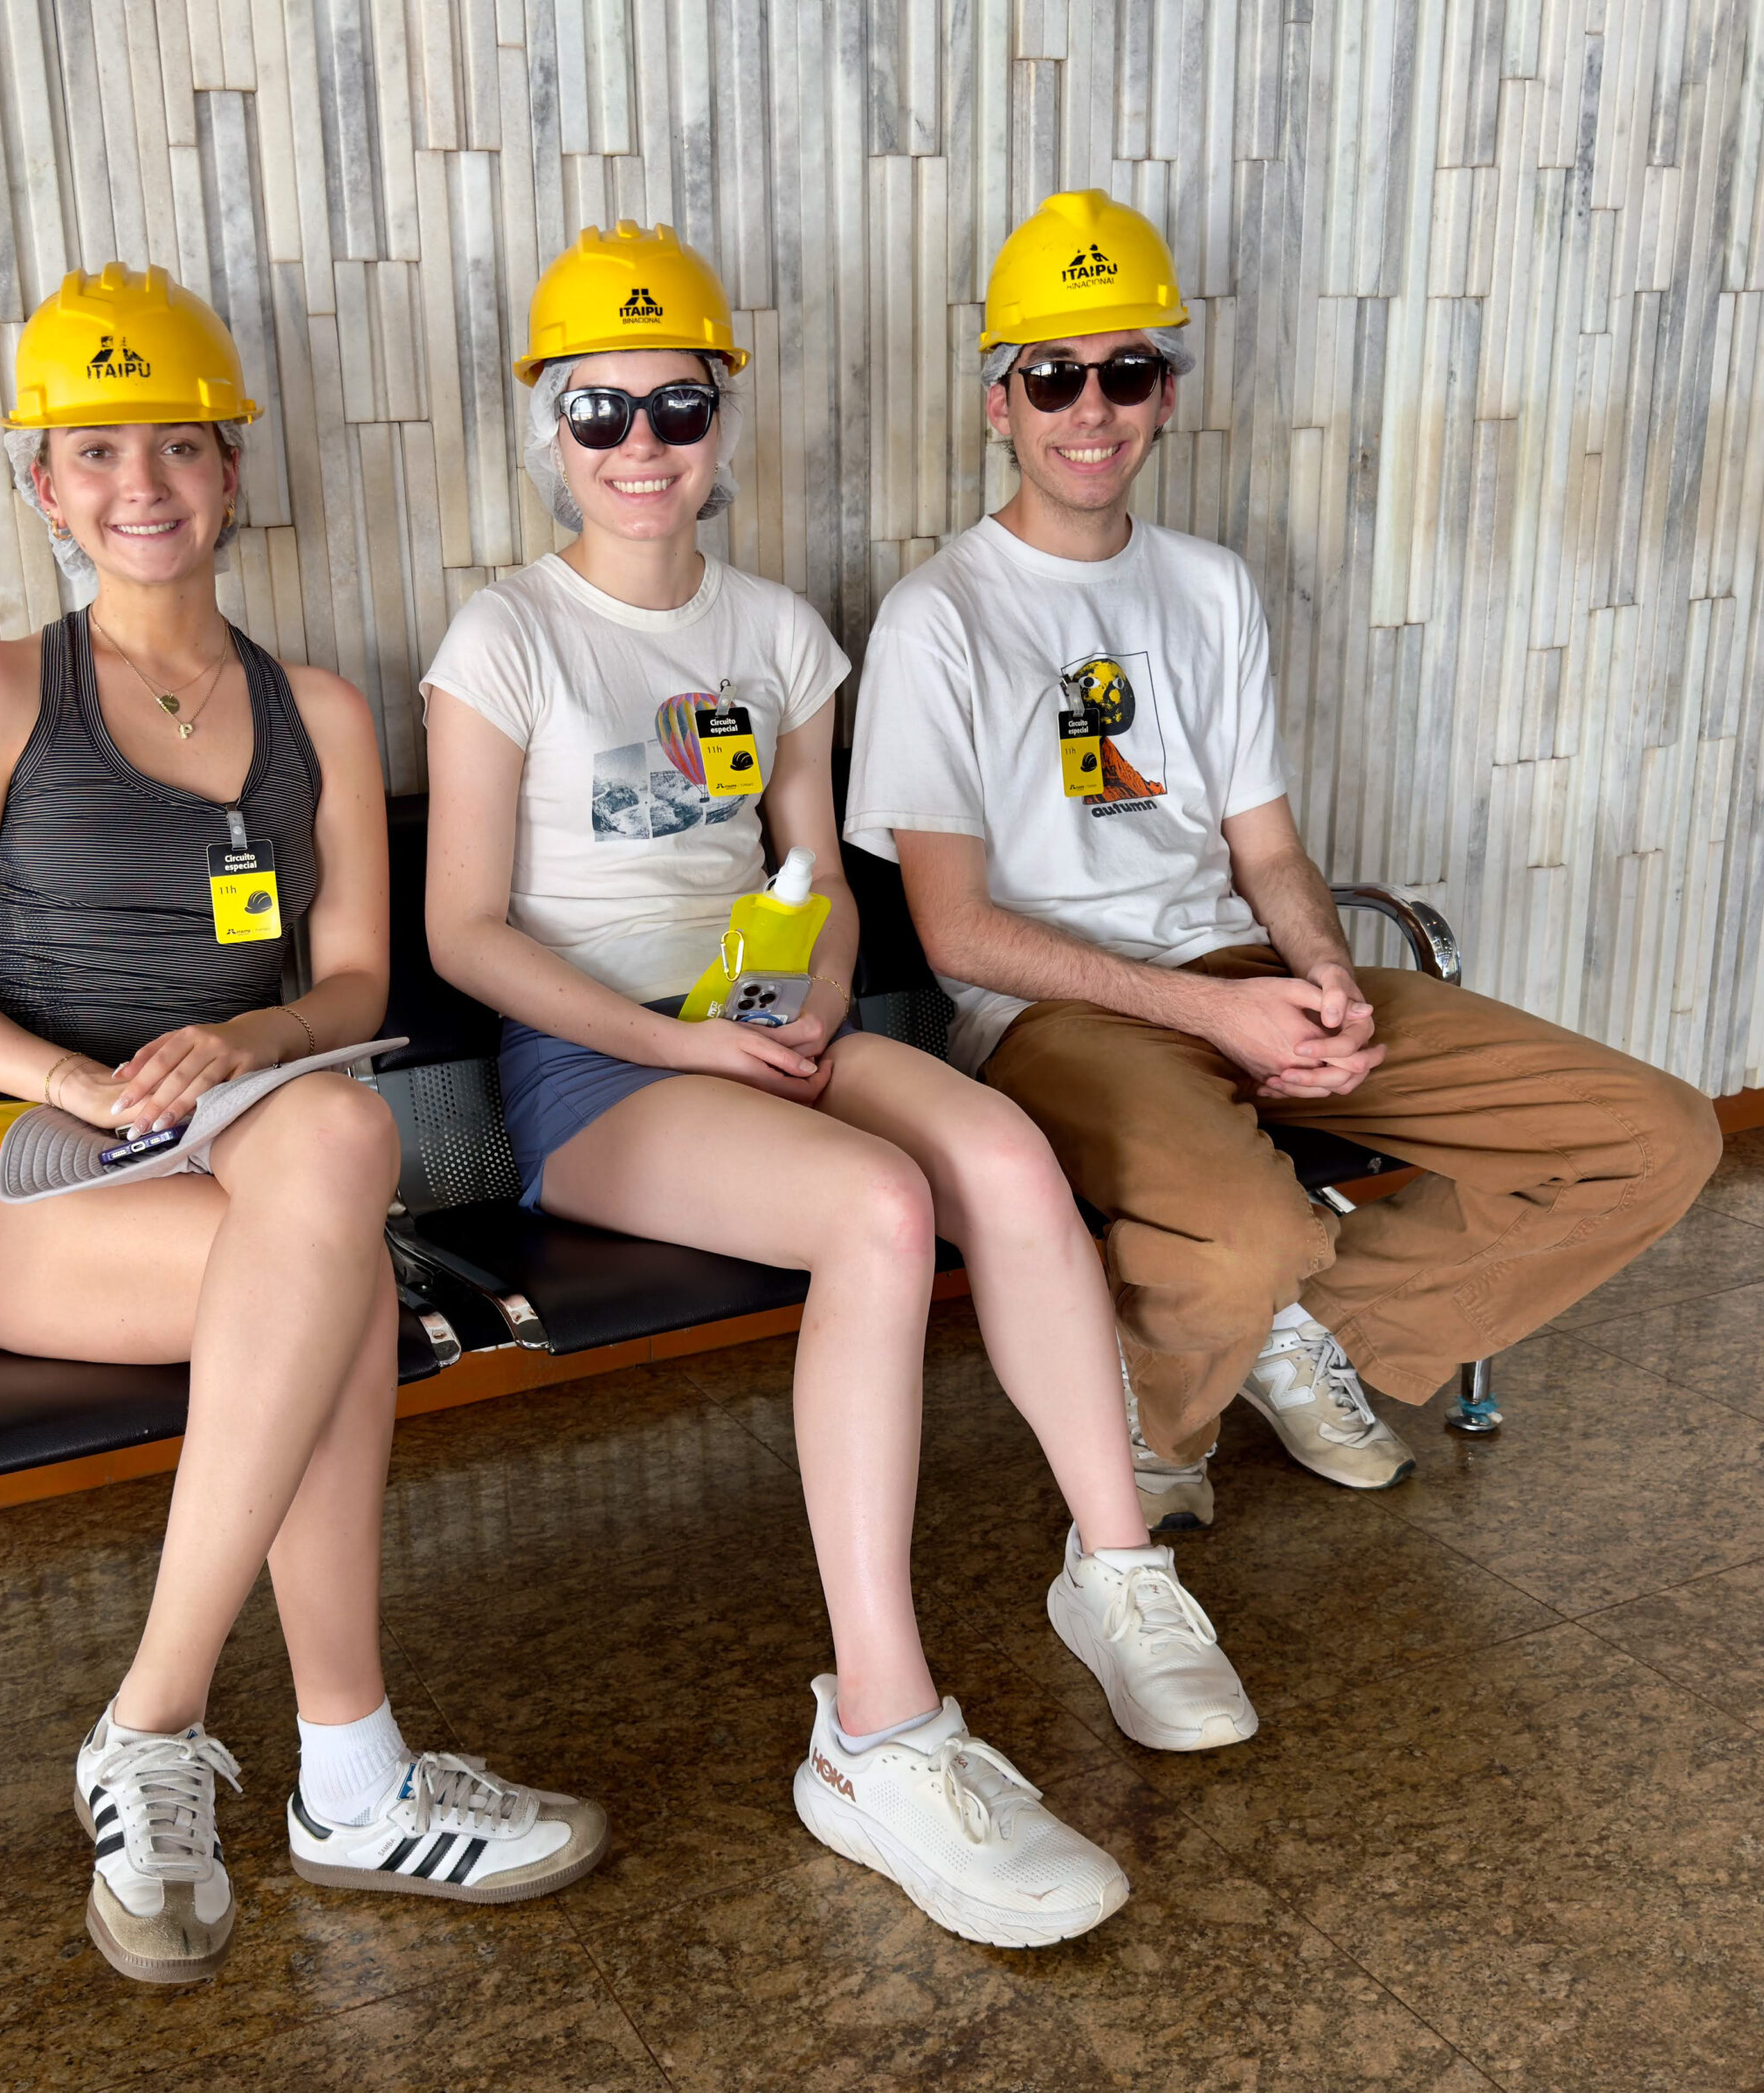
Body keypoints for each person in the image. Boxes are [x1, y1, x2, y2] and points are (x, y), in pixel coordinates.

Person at [422, 221, 1257, 1952]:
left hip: (759, 1024)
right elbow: (464, 932)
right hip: (599, 1063)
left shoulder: (779, 632)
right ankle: (876, 1732)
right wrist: (682, 1040)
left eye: (675, 408)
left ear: (719, 422)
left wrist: (800, 998)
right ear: (550, 430)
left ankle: (1117, 1567)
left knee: (1003, 1157)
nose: (640, 446)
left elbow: (811, 877)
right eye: (600, 412)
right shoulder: (505, 636)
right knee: (880, 1208)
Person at [0, 264, 604, 1986]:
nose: (142, 485)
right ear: (45, 487)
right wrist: (82, 1084)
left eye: (178, 446)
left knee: (334, 1140)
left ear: (232, 471)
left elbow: (351, 983)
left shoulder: (318, 711)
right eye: (97, 450)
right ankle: (321, 1765)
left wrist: (238, 1041)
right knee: (331, 1270)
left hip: (233, 1131)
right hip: (16, 1170)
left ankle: (172, 1730)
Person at [847, 189, 1723, 1532]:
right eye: (1054, 376)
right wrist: (1218, 1015)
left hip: (1247, 970)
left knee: (1656, 1136)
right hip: (1056, 1017)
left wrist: (1326, 978)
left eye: (1127, 371)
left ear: (1166, 396)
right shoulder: (937, 616)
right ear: (999, 406)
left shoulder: (1210, 587)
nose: (1092, 407)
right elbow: (958, 931)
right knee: (1247, 1230)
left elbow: (1268, 847)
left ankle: (1293, 1326)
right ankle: (1173, 1406)